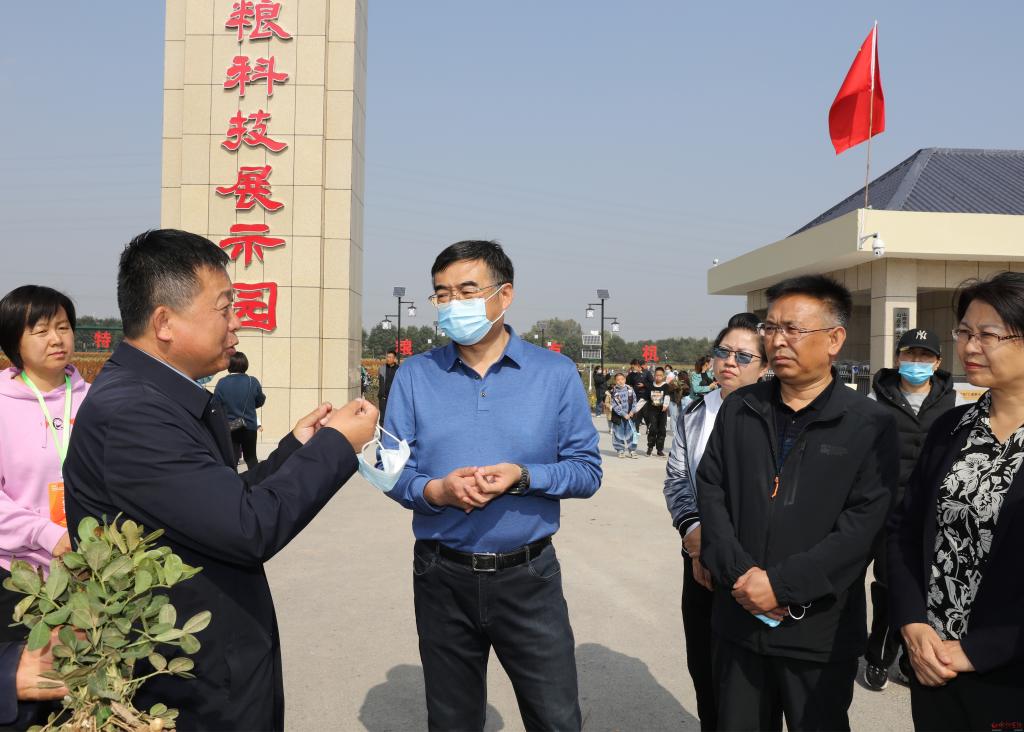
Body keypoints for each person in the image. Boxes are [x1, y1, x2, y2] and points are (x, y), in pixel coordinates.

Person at [62, 229, 378, 731]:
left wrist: (299, 448)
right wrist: (338, 445)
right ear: (164, 322)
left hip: (213, 665)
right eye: (225, 308)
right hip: (188, 688)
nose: (237, 323)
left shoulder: (160, 397)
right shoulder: (134, 414)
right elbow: (248, 527)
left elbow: (219, 501)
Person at [382, 240, 601, 731]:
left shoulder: (555, 373)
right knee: (452, 719)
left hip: (529, 576)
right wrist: (435, 492)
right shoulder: (415, 375)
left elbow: (587, 470)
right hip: (441, 575)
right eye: (442, 294)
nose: (452, 304)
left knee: (555, 717)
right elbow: (391, 469)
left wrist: (524, 477)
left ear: (505, 295)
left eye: (467, 291)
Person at [697, 275, 898, 731]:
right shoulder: (740, 408)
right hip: (738, 619)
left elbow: (863, 526)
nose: (778, 340)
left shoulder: (869, 423)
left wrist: (781, 586)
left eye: (793, 329)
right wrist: (742, 577)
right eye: (771, 328)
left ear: (834, 339)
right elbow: (711, 491)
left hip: (818, 633)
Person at [889, 272, 1024, 730]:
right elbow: (905, 532)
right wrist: (912, 624)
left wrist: (979, 650)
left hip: (1010, 678)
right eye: (964, 332)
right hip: (934, 666)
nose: (969, 346)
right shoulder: (951, 428)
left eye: (988, 335)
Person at [664, 312, 767, 730]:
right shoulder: (693, 412)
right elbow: (677, 479)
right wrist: (694, 534)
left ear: (765, 366)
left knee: (749, 685)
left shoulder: (777, 417)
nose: (729, 362)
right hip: (700, 563)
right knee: (704, 669)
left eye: (743, 356)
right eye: (723, 352)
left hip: (754, 569)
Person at [861, 327, 956, 691]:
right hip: (887, 510)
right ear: (898, 357)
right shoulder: (877, 397)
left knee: (924, 587)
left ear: (937, 362)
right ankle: (879, 655)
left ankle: (907, 657)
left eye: (924, 356)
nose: (916, 362)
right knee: (889, 584)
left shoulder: (952, 401)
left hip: (931, 513)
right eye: (910, 354)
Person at [0, 286, 90, 642]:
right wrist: (47, 535)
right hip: (18, 576)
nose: (56, 339)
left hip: (91, 570)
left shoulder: (96, 400)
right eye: (41, 331)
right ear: (13, 341)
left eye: (63, 327)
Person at [213, 351, 266, 471]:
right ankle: (255, 481)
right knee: (251, 458)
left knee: (231, 460)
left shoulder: (222, 382)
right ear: (245, 364)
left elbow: (215, 404)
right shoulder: (253, 381)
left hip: (230, 426)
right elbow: (260, 401)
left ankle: (232, 482)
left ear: (229, 364)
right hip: (249, 426)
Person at [609, 371, 639, 458]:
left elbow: (635, 401)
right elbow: (614, 405)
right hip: (619, 417)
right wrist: (623, 414)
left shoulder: (630, 390)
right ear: (615, 381)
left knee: (631, 433)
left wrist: (632, 411)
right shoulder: (613, 392)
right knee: (618, 433)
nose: (620, 381)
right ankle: (620, 450)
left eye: (622, 379)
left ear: (625, 379)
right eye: (618, 380)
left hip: (630, 416)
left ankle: (632, 450)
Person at [645, 367, 670, 456]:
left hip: (662, 412)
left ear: (663, 376)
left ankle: (659, 449)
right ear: (654, 375)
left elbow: (667, 396)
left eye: (660, 375)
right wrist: (635, 410)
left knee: (662, 430)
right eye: (656, 375)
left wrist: (665, 405)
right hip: (652, 411)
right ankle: (650, 447)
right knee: (653, 429)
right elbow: (644, 398)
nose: (658, 377)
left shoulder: (666, 386)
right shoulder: (650, 386)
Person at [377, 349, 398, 422]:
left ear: (394, 358)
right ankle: (382, 429)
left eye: (390, 357)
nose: (388, 359)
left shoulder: (399, 370)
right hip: (383, 398)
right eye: (387, 357)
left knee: (394, 418)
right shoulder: (382, 368)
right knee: (382, 419)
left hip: (394, 398)